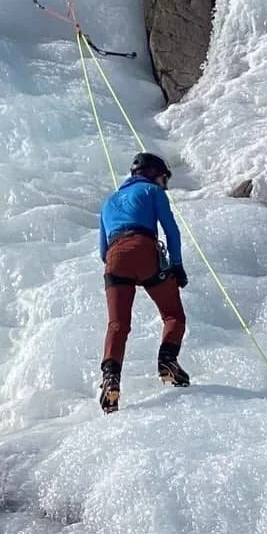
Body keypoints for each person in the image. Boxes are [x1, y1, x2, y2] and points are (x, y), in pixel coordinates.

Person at [97, 151, 190, 415]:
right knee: (173, 314)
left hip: (114, 258)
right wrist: (176, 265)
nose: (165, 185)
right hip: (143, 248)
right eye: (164, 179)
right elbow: (171, 230)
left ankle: (110, 379)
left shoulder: (108, 202)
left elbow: (102, 250)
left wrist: (123, 268)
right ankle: (167, 362)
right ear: (153, 174)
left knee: (117, 325)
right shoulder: (152, 191)